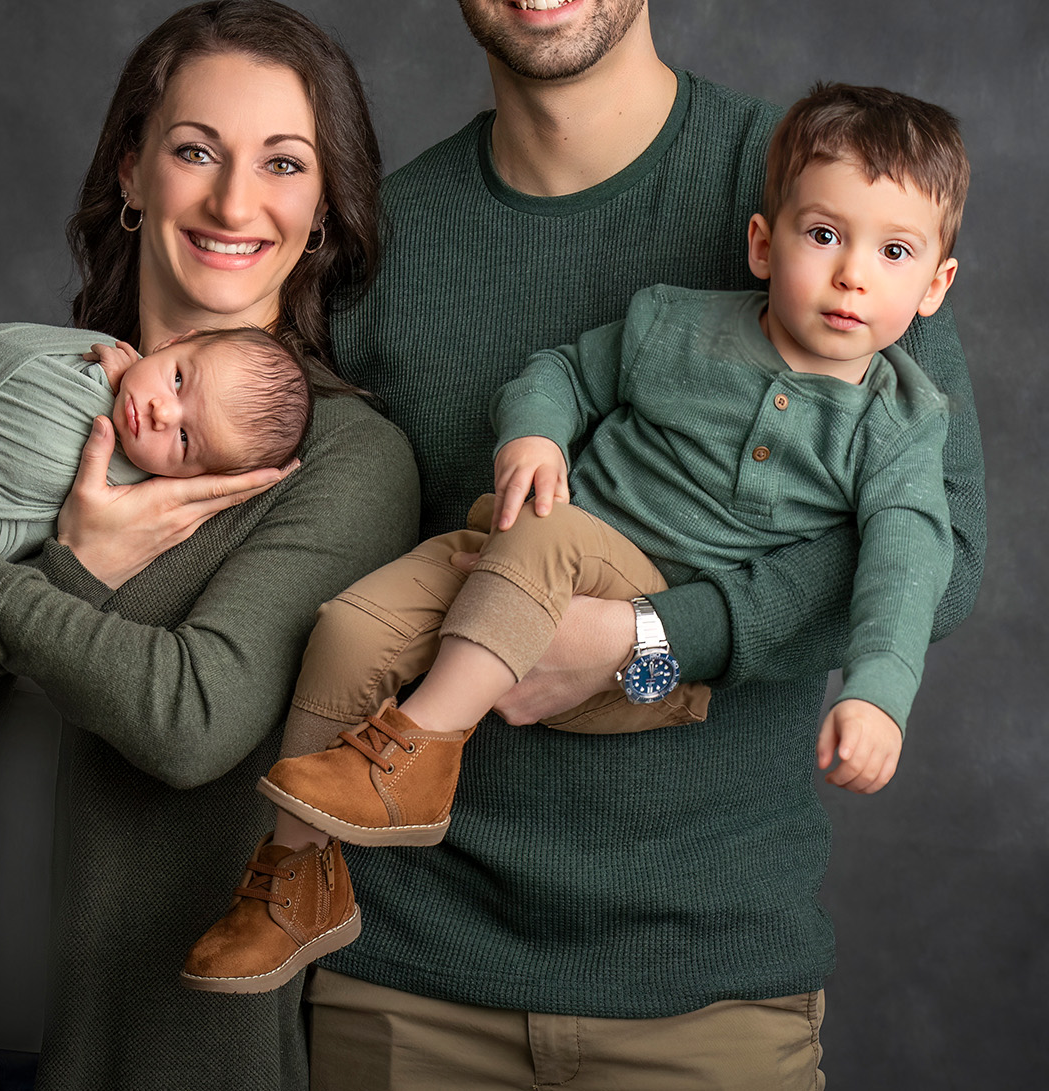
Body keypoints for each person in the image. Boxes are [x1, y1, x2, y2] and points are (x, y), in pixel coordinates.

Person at [0, 0, 989, 1089]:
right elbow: (238, 529)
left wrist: (641, 645)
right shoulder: (380, 250)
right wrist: (13, 703)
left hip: (702, 978)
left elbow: (937, 551)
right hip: (404, 981)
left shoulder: (826, 203)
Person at [180, 82, 969, 996]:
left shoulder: (901, 424)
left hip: (636, 595)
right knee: (349, 629)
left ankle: (422, 748)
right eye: (824, 235)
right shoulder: (677, 322)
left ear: (935, 285)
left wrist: (878, 694)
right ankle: (294, 880)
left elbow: (911, 562)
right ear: (764, 242)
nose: (851, 275)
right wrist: (534, 434)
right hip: (522, 539)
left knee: (544, 536)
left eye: (895, 251)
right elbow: (561, 371)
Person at [0, 0, 419, 1091]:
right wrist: (38, 585)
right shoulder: (27, 393)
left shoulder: (341, 459)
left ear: (323, 208)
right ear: (131, 175)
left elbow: (192, 726)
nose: (235, 200)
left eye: (283, 163)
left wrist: (5, 568)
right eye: (195, 151)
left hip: (159, 1050)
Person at [0, 322, 313, 606]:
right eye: (179, 379)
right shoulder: (93, 351)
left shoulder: (143, 497)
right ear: (171, 343)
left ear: (196, 479)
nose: (161, 411)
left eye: (185, 439)